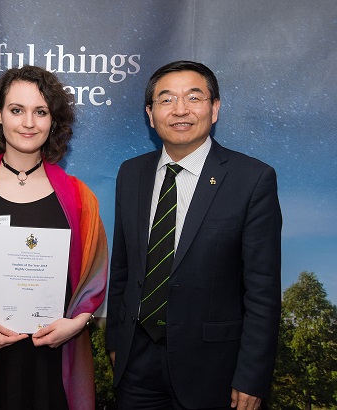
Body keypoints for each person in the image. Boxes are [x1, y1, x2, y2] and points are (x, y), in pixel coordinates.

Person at [105, 61, 282, 410]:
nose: (180, 110)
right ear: (150, 114)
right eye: (166, 99)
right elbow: (123, 268)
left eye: (193, 98)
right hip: (136, 364)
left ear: (214, 109)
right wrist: (115, 340)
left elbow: (262, 292)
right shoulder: (131, 173)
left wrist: (252, 375)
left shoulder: (252, 179)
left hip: (214, 370)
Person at [0, 65, 108, 410]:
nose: (29, 123)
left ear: (53, 120)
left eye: (41, 112)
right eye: (17, 110)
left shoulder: (79, 199)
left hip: (56, 356)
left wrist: (76, 323)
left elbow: (95, 275)